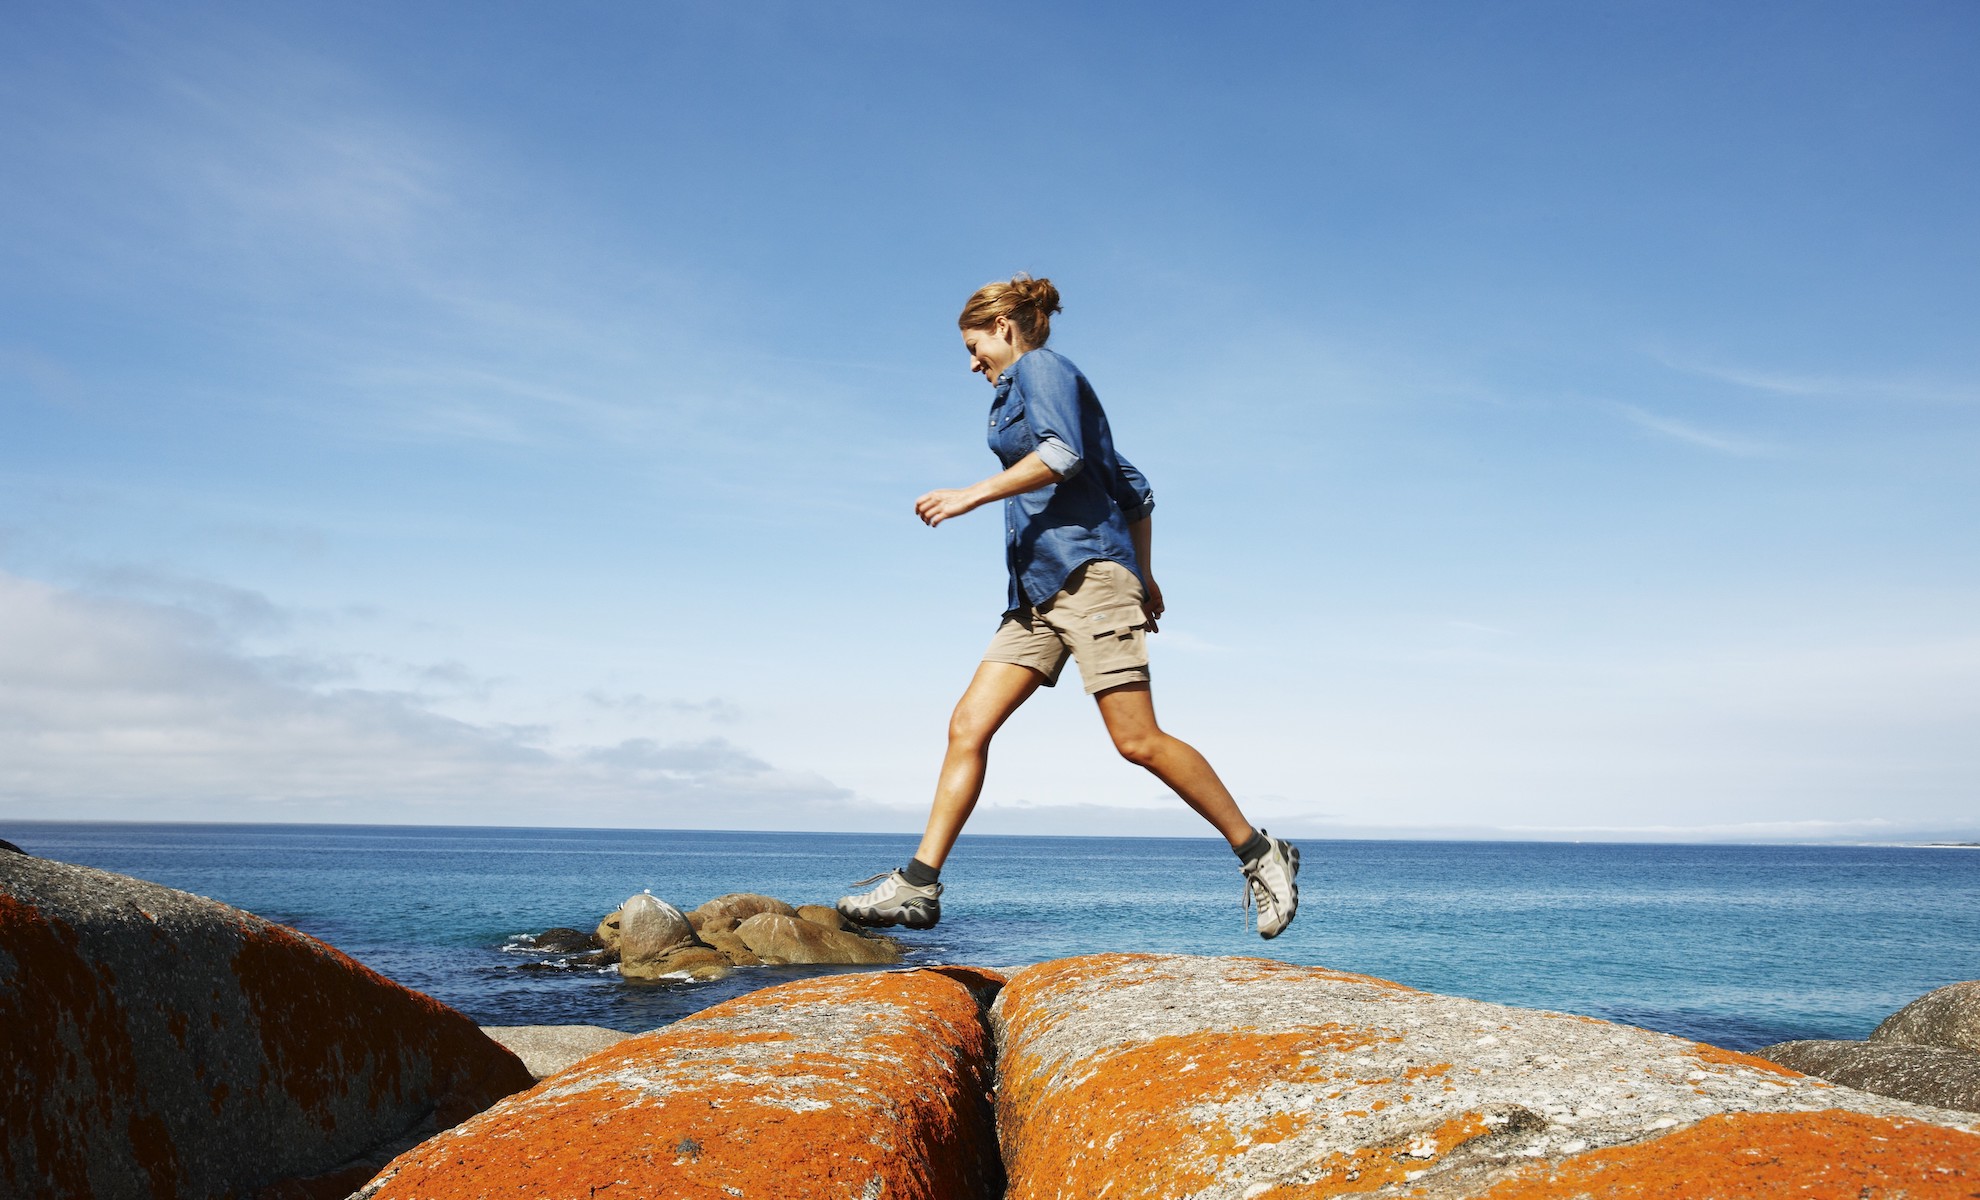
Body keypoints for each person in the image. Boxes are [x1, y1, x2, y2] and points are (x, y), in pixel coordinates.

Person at [836, 274, 1300, 939]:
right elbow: (1134, 488)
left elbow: (1063, 455)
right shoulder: (1014, 394)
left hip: (1086, 577)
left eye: (975, 347)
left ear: (1003, 327)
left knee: (1136, 739)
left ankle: (1261, 854)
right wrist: (1146, 570)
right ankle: (918, 884)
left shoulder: (1042, 369)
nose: (972, 363)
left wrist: (971, 495)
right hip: (1035, 594)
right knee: (968, 724)